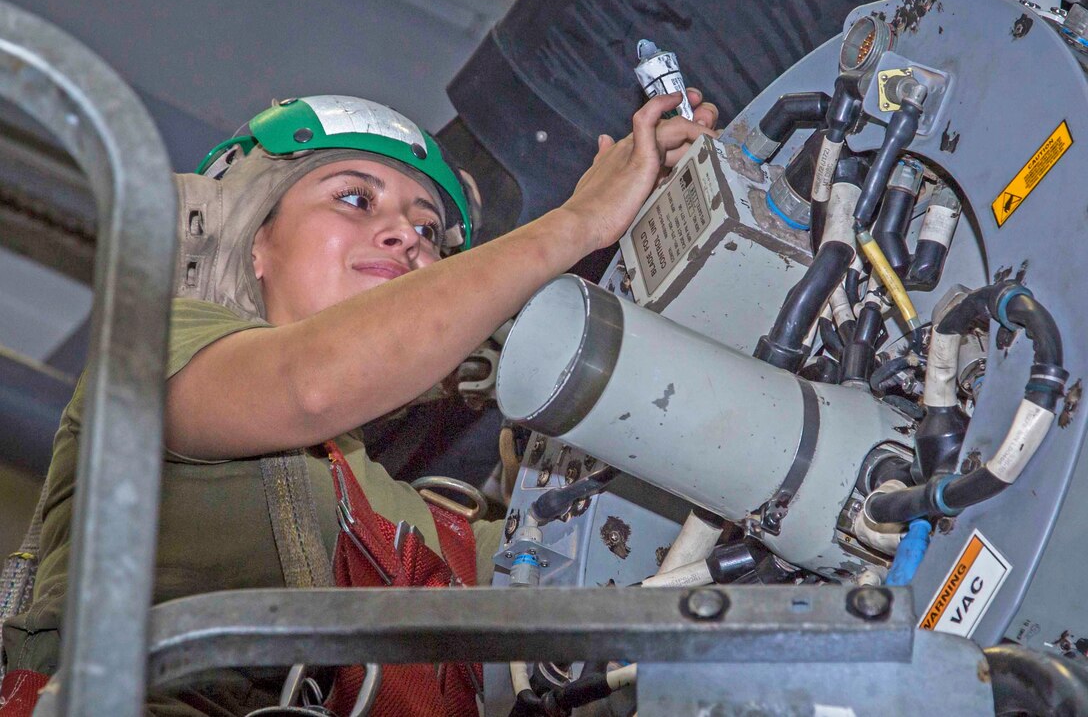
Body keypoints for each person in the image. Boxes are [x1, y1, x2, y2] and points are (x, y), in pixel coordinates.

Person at [0, 90, 717, 716]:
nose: (407, 234)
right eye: (355, 197)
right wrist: (579, 223)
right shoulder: (153, 358)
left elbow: (603, 568)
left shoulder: (415, 527)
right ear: (256, 243)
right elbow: (306, 385)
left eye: (429, 230)